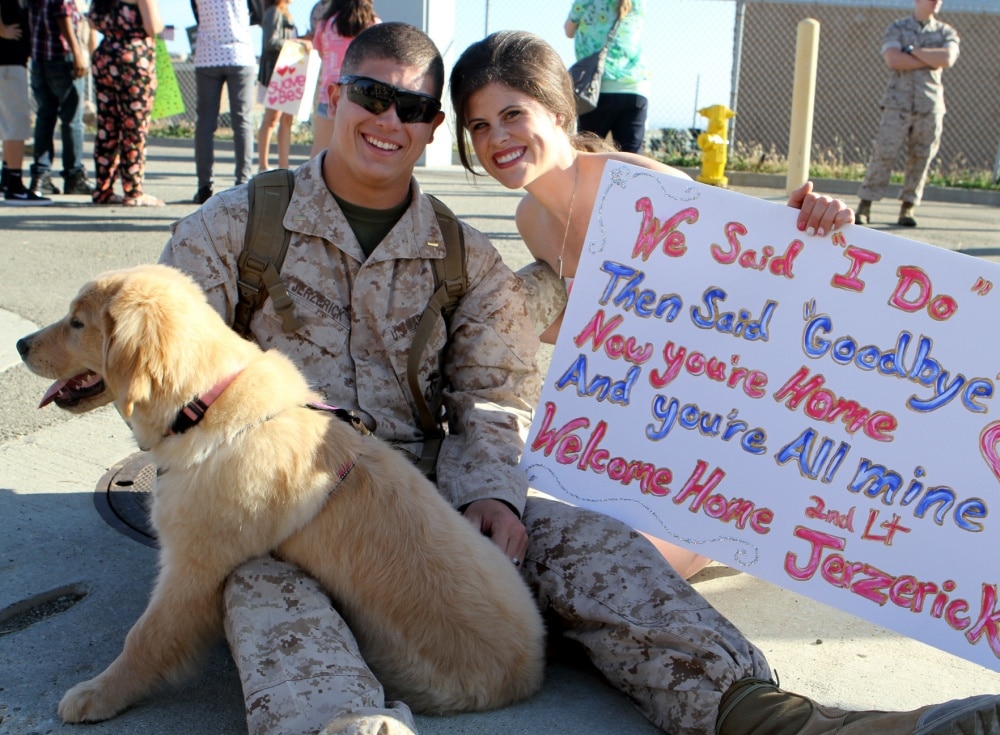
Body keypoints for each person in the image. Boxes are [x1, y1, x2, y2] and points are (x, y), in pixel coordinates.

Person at [160, 21, 1000, 735]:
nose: (389, 120)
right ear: (333, 97)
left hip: (417, 495)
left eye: (414, 108)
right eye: (371, 96)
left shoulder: (466, 258)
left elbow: (491, 393)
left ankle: (772, 717)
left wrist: (492, 493)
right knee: (263, 585)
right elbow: (161, 365)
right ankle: (341, 723)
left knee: (589, 544)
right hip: (271, 496)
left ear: (426, 131)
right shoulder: (236, 226)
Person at [450, 29, 855, 581]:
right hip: (629, 428)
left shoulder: (645, 189)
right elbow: (594, 327)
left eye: (513, 114)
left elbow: (754, 286)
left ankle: (727, 534)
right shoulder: (531, 219)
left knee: (612, 570)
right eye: (479, 125)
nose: (497, 137)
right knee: (521, 536)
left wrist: (807, 223)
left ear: (559, 113)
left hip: (717, 435)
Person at [855, 0, 959, 228]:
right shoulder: (897, 28)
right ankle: (865, 204)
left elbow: (947, 59)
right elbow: (893, 59)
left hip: (929, 105)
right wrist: (928, 59)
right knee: (884, 153)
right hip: (897, 105)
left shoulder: (945, 32)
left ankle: (908, 207)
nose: (936, 2)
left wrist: (912, 51)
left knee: (921, 158)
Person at [88, 0, 165, 206]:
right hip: (134, 59)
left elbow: (93, 21)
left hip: (105, 57)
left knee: (107, 126)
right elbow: (153, 27)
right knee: (134, 128)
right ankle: (134, 191)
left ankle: (102, 189)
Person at [190, 0, 257, 204]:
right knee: (242, 121)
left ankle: (204, 185)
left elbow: (196, 12)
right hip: (240, 54)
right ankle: (243, 182)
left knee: (205, 124)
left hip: (207, 55)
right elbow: (256, 12)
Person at [27, 0, 95, 197]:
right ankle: (73, 176)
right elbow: (63, 15)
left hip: (39, 61)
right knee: (72, 121)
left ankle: (40, 176)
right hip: (63, 59)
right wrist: (77, 54)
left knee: (45, 118)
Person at [565, 0, 649, 154]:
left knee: (588, 156)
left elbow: (568, 31)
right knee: (632, 161)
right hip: (635, 87)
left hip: (595, 89)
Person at [308, 0, 378, 157]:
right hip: (362, 97)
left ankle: (310, 182)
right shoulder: (374, 24)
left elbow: (321, 53)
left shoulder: (325, 24)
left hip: (330, 94)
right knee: (359, 153)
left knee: (319, 149)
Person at [1, 0, 53, 204]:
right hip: (8, 61)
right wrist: (2, 29)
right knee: (16, 123)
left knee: (10, 124)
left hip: (12, 61)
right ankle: (14, 185)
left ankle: (7, 178)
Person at [256, 0, 298, 172]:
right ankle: (263, 165)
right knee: (271, 119)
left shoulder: (285, 12)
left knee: (287, 120)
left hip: (288, 72)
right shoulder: (274, 12)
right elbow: (270, 42)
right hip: (275, 72)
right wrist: (297, 44)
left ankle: (284, 166)